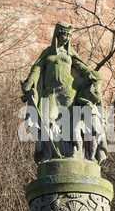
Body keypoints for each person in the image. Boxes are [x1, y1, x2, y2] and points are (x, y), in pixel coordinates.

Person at [21, 21, 107, 164]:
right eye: (65, 34)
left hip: (68, 93)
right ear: (58, 34)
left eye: (69, 35)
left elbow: (84, 69)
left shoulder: (70, 54)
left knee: (70, 125)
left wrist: (93, 77)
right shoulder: (47, 53)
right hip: (50, 94)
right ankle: (49, 156)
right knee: (47, 124)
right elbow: (36, 69)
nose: (67, 38)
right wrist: (29, 83)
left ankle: (73, 154)